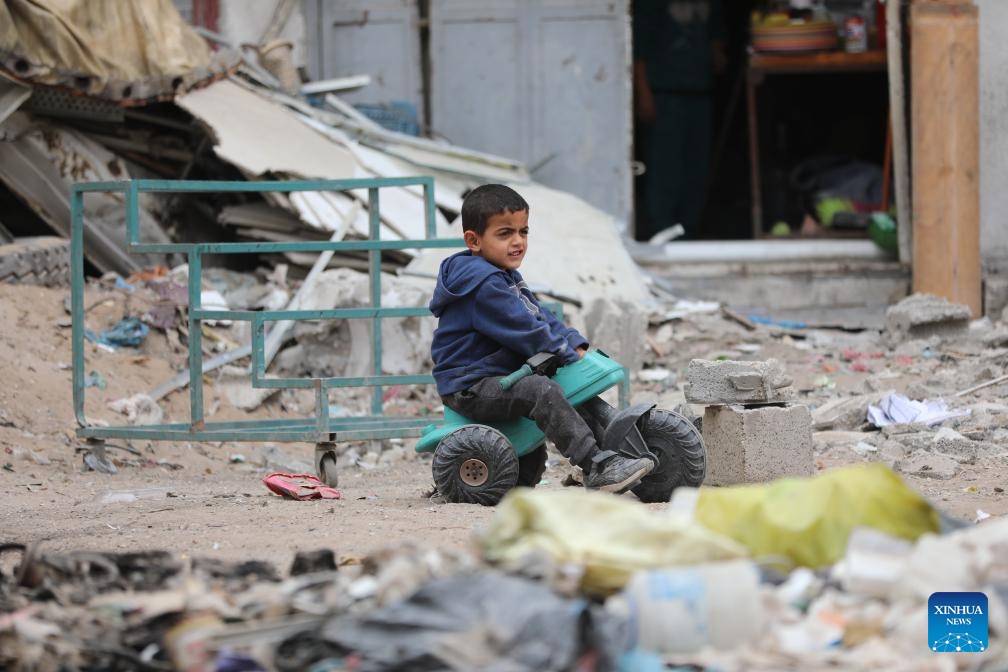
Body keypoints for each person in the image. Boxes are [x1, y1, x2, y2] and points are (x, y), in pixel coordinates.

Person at [429, 184, 655, 493]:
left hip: (497, 376)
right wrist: (563, 352)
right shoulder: (483, 285)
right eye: (505, 233)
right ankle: (597, 466)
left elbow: (538, 314)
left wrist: (572, 342)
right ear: (474, 240)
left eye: (523, 232)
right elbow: (523, 328)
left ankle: (614, 455)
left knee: (556, 390)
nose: (517, 241)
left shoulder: (503, 275)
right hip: (471, 384)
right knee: (541, 390)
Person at [633, 0, 726, 241]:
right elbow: (638, 47)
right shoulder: (651, 5)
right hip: (664, 93)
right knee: (665, 167)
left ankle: (689, 230)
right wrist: (643, 92)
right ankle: (663, 228)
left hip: (700, 91)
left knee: (696, 166)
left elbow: (716, 38)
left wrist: (716, 54)